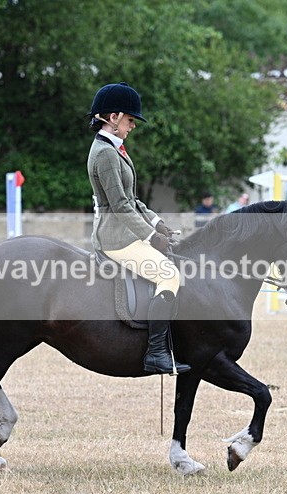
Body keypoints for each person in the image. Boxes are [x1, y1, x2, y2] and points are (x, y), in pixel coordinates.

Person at [86, 82, 190, 375]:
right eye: (130, 120)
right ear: (114, 117)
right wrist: (149, 237)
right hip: (115, 237)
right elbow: (119, 206)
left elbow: (132, 200)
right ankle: (156, 353)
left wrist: (158, 224)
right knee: (169, 275)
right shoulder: (105, 153)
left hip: (125, 232)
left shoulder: (114, 149)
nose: (132, 126)